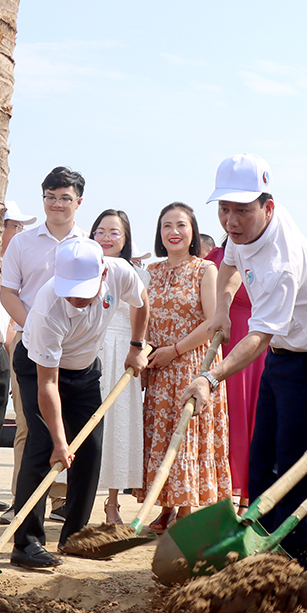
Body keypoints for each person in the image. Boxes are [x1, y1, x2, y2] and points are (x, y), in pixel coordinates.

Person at [184, 154, 307, 569]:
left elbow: (258, 337)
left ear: (267, 207)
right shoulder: (243, 233)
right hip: (282, 355)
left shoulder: (280, 263)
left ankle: (292, 562)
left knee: (293, 466)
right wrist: (221, 308)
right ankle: (257, 548)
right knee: (262, 462)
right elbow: (231, 265)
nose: (231, 220)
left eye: (242, 210)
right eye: (224, 209)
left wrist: (210, 376)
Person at [11, 238, 149, 568]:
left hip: (86, 369)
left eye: (83, 290)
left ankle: (74, 537)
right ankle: (26, 543)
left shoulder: (119, 273)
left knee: (90, 448)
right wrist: (60, 443)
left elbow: (141, 301)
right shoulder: (48, 307)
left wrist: (136, 346)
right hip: (39, 370)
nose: (75, 297)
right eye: (69, 288)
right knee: (44, 446)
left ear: (102, 274)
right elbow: (48, 384)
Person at [0, 167, 88, 522]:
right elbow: (8, 293)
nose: (57, 204)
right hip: (29, 344)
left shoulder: (87, 244)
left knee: (69, 425)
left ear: (78, 202)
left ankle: (61, 501)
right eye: (50, 197)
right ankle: (21, 501)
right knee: (29, 425)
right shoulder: (22, 242)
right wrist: (35, 328)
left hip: (76, 347)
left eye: (65, 198)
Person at [139, 202, 229, 532]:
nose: (174, 232)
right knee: (162, 437)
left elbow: (211, 322)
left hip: (192, 363)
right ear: (159, 234)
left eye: (181, 225)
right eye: (167, 226)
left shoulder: (205, 269)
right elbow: (142, 317)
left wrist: (174, 350)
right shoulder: (151, 271)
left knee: (188, 436)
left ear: (192, 231)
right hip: (159, 367)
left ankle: (186, 509)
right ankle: (164, 507)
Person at [90, 208, 147, 524]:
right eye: (100, 231)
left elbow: (142, 314)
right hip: (87, 353)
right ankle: (75, 503)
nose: (107, 238)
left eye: (114, 232)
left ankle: (112, 505)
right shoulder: (83, 266)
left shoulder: (133, 272)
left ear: (125, 239)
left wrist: (138, 351)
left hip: (122, 356)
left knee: (118, 428)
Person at [204, 231, 265, 505]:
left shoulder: (266, 254)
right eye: (227, 212)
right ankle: (224, 494)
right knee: (225, 421)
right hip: (222, 342)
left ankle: (248, 496)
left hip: (257, 343)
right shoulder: (214, 258)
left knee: (253, 417)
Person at [0, 200, 35, 519]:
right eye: (15, 225)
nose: (19, 231)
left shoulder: (14, 259)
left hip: (4, 347)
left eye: (20, 226)